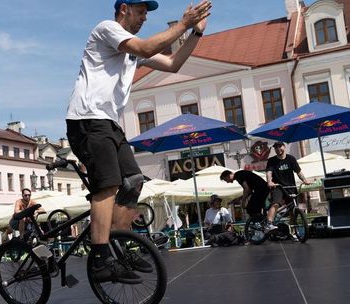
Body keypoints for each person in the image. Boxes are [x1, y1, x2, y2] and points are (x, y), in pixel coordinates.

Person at [65, 0, 212, 284]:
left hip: (109, 123)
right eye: (141, 11)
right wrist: (184, 23)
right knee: (107, 183)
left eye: (147, 12)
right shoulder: (106, 29)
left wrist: (196, 33)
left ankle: (117, 247)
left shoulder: (130, 53)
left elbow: (172, 63)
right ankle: (99, 258)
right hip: (87, 120)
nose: (145, 17)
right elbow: (145, 47)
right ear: (124, 9)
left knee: (133, 180)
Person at [265, 141, 310, 232]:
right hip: (278, 186)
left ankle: (293, 231)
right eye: (276, 148)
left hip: (291, 187)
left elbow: (298, 171)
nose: (278, 149)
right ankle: (268, 224)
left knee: (293, 210)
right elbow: (269, 172)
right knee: (276, 203)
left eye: (280, 147)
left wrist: (304, 180)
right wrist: (269, 181)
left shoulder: (291, 159)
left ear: (284, 147)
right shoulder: (272, 161)